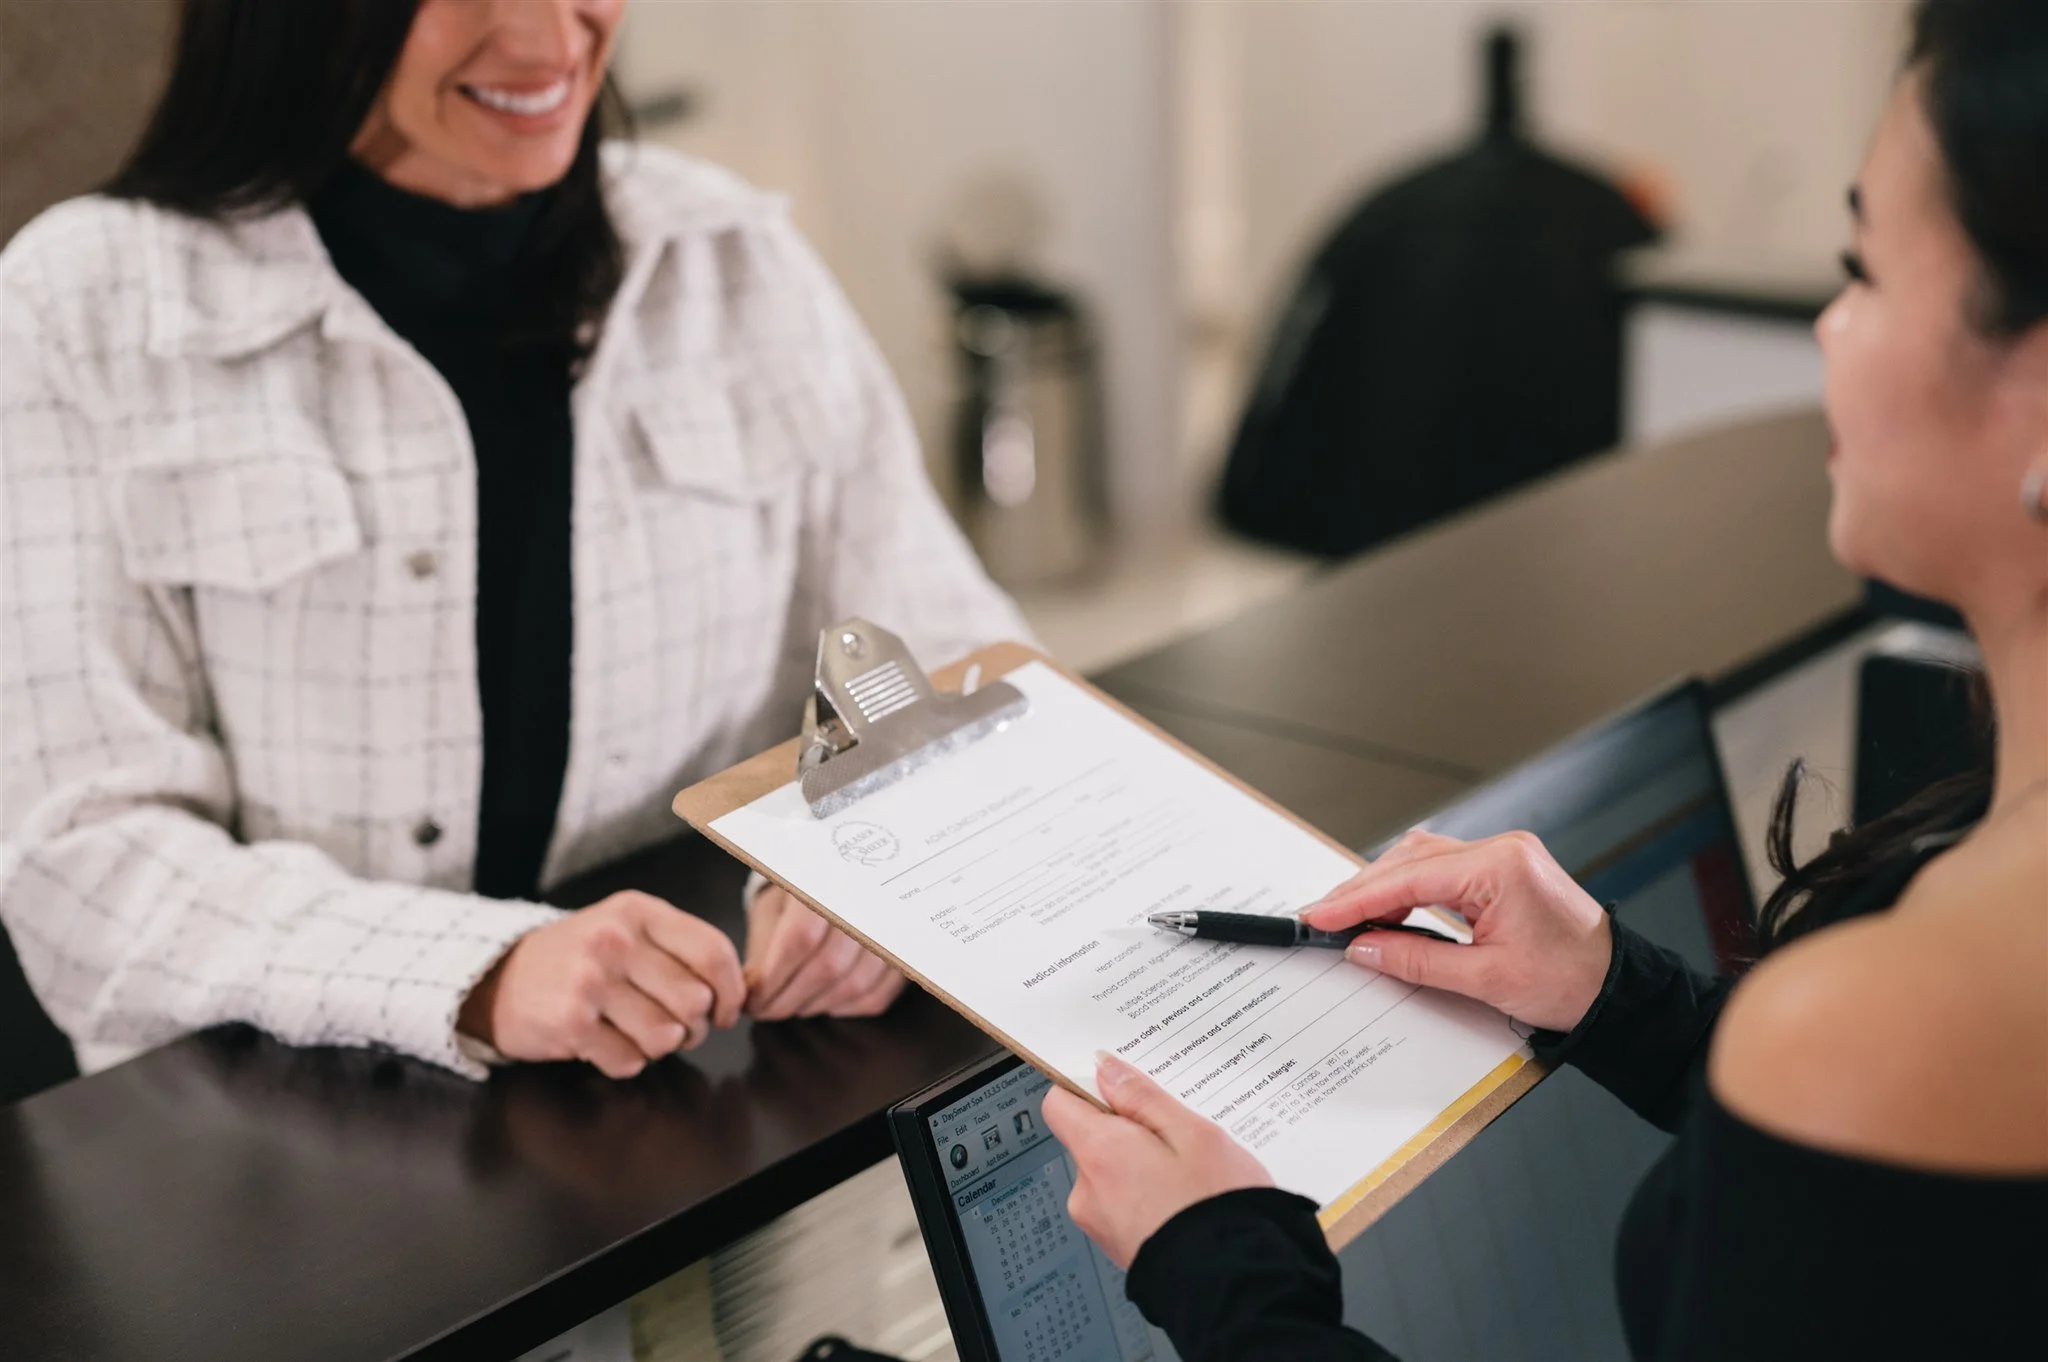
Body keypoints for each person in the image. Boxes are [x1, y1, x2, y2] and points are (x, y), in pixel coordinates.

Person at [1042, 1, 2048, 1357]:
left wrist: (1224, 1266)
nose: (1825, 329)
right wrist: (1616, 985)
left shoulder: (1882, 1032)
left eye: (1863, 269)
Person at [0, 0, 1028, 1081]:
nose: (548, 41)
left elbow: (955, 673)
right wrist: (483, 972)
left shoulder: (735, 264)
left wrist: (870, 873)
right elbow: (85, 860)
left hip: (699, 1112)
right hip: (273, 1161)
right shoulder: (76, 311)